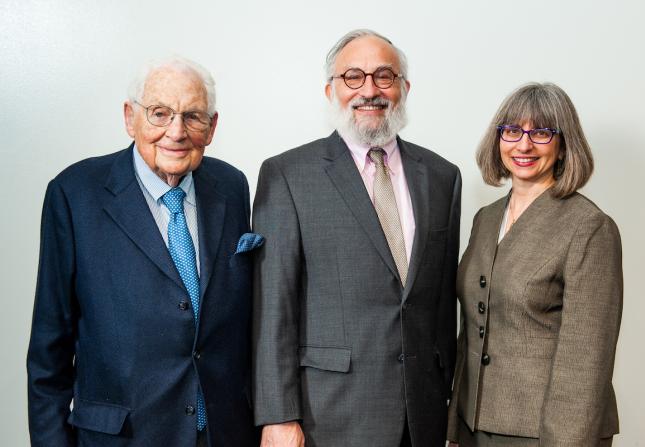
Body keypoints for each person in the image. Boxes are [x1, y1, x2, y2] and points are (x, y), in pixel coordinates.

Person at [27, 57, 259, 447]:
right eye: (159, 113)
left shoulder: (232, 187)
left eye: (193, 117)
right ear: (129, 117)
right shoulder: (75, 194)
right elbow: (49, 352)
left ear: (212, 126)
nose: (176, 131)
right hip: (122, 437)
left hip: (223, 434)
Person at [252, 29, 461, 447]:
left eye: (385, 76)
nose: (370, 90)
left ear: (404, 88)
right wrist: (277, 416)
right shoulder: (288, 175)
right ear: (331, 88)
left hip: (423, 417)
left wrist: (451, 412)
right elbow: (273, 305)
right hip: (328, 416)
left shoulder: (441, 177)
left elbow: (439, 309)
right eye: (353, 77)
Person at [447, 82, 623, 447]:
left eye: (541, 132)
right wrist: (454, 427)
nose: (523, 145)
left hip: (546, 433)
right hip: (473, 424)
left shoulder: (589, 227)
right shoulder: (486, 219)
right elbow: (471, 330)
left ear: (562, 146)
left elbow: (587, 360)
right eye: (512, 131)